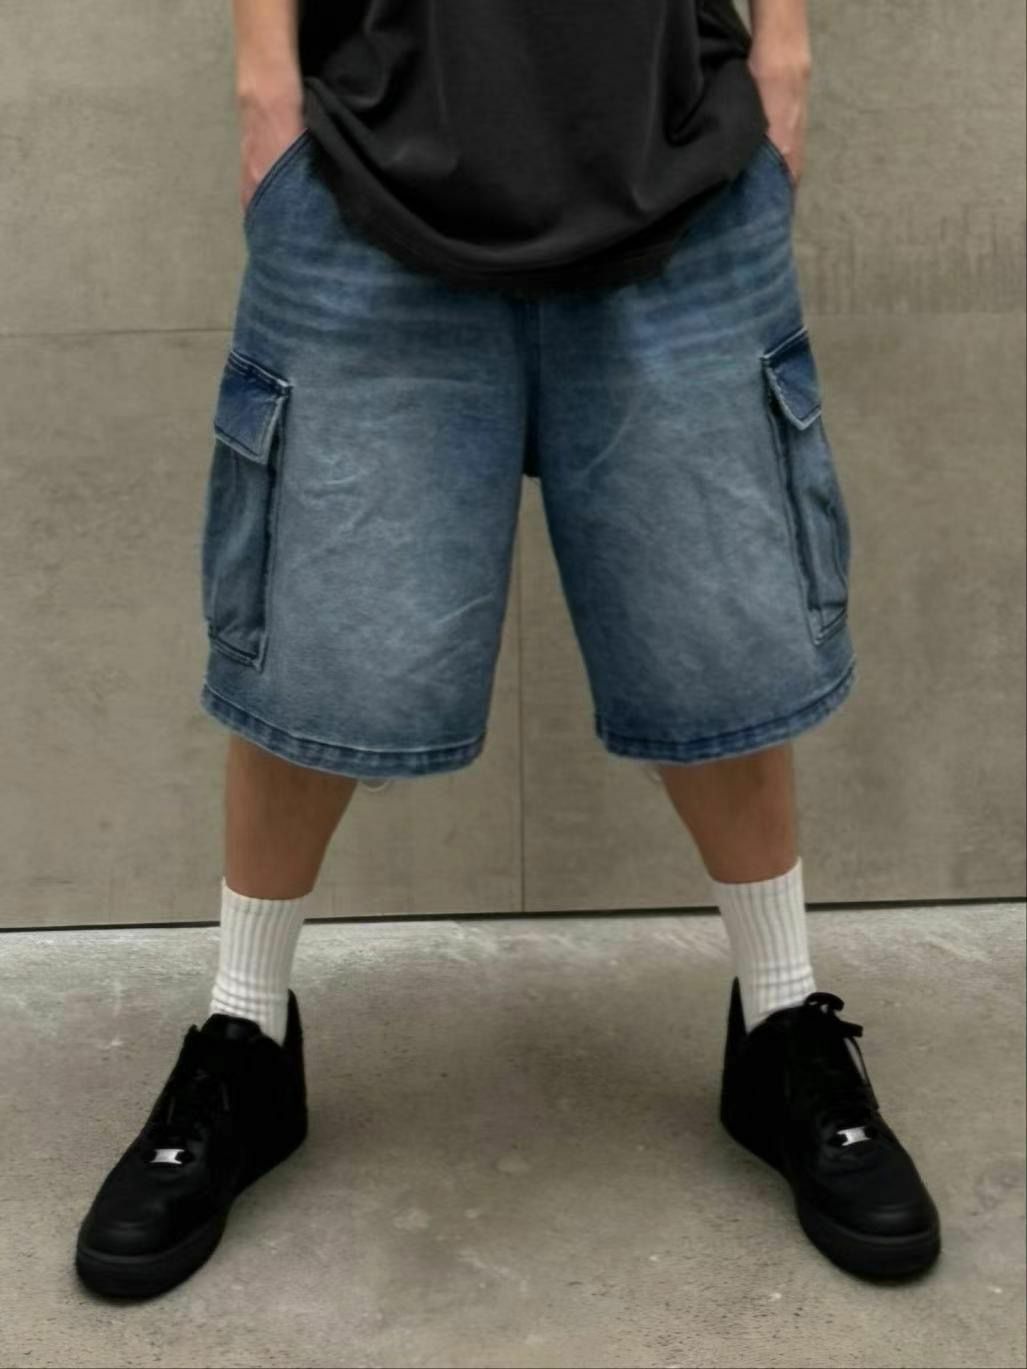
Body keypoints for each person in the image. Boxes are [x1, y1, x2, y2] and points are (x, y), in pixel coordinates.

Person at [75, 0, 940, 1298]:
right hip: (365, 156)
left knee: (717, 648)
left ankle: (781, 1019)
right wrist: (264, 81)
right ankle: (243, 1033)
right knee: (314, 650)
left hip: (681, 149)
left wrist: (786, 46)